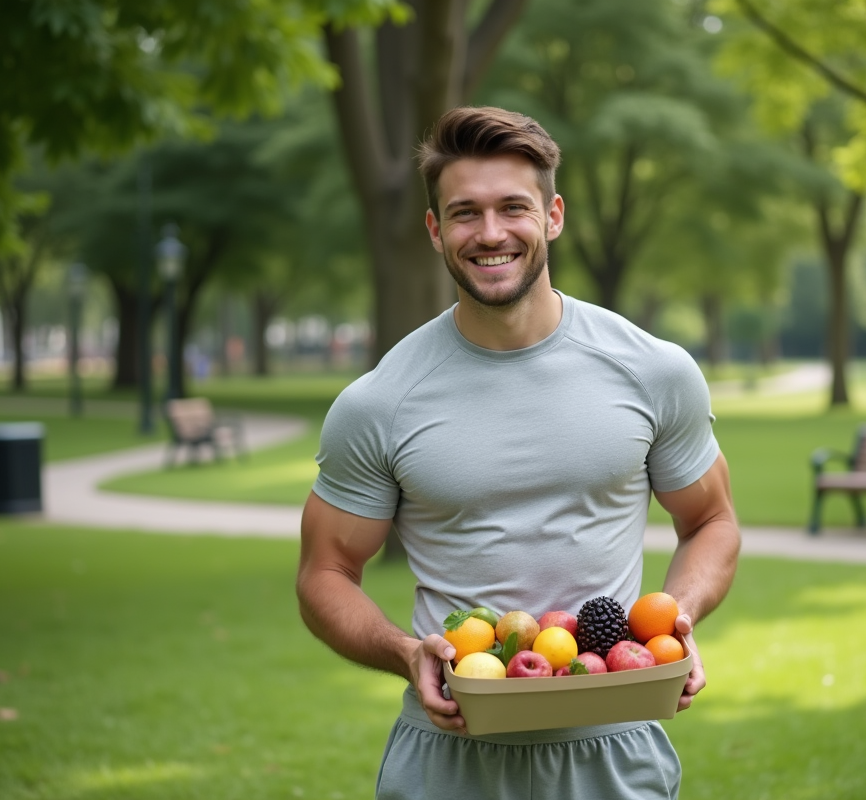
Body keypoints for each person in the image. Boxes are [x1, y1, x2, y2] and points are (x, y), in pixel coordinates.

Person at [297, 106, 741, 799]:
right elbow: (324, 571)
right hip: (450, 750)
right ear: (435, 229)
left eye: (514, 207)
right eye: (466, 213)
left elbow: (712, 521)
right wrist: (408, 651)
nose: (492, 233)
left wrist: (676, 619)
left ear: (554, 215)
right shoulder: (379, 402)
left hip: (613, 744)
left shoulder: (653, 371)